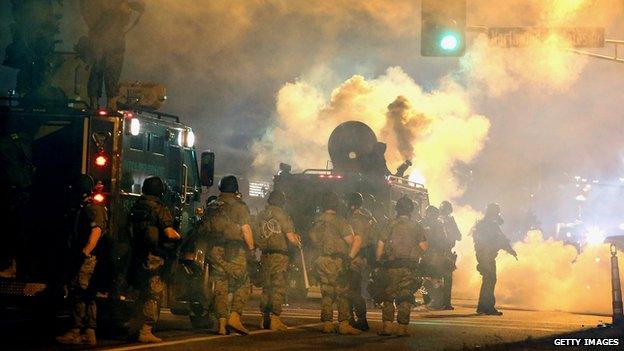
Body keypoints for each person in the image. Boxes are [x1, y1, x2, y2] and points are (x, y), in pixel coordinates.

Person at [56, 175, 107, 346]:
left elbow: (96, 232)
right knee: (82, 293)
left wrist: (84, 253)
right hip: (84, 257)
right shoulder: (84, 207)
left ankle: (80, 331)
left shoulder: (91, 208)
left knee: (81, 293)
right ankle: (85, 332)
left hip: (87, 259)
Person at [129, 176, 181, 343]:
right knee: (154, 293)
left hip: (137, 254)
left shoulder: (136, 205)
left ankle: (134, 327)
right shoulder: (160, 208)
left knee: (140, 292)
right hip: (154, 256)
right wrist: (179, 237)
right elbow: (168, 232)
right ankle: (146, 330)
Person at [201, 175, 254, 335]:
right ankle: (235, 316)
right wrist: (251, 248)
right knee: (243, 282)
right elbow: (245, 229)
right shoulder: (240, 206)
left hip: (215, 251)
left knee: (220, 286)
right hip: (234, 251)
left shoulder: (212, 205)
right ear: (235, 188)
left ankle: (221, 324)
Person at [309, 192, 362, 335]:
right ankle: (343, 324)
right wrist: (350, 256)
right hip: (337, 261)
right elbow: (351, 241)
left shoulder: (317, 221)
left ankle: (327, 323)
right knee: (342, 292)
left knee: (326, 293)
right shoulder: (340, 221)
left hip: (321, 260)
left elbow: (313, 240)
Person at [376, 196, 428, 336]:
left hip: (390, 266)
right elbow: (423, 247)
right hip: (408, 266)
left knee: (388, 295)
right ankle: (402, 328)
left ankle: (387, 327)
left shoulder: (390, 224)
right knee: (405, 296)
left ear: (397, 209)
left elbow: (380, 243)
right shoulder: (416, 226)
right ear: (411, 210)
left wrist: (378, 261)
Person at [255, 190, 301, 331]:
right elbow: (290, 237)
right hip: (279, 256)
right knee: (278, 287)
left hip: (265, 255)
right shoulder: (282, 214)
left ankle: (265, 318)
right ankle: (275, 319)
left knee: (266, 288)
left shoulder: (261, 215)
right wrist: (298, 242)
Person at [472, 203, 517, 316]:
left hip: (484, 255)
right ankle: (488, 307)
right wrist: (509, 249)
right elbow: (500, 239)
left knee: (488, 280)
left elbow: (498, 238)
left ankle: (482, 307)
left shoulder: (484, 224)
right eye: (496, 212)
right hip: (486, 256)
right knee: (490, 280)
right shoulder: (489, 225)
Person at [345, 192, 376, 331]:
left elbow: (357, 240)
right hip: (363, 257)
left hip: (355, 257)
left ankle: (357, 319)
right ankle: (356, 318)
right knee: (355, 288)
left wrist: (349, 257)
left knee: (352, 289)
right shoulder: (368, 217)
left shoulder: (355, 219)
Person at [420, 206, 448, 310]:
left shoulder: (437, 225)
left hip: (432, 257)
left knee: (432, 281)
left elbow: (444, 240)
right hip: (428, 257)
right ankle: (431, 301)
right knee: (425, 281)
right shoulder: (426, 224)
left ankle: (435, 301)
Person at [439, 201, 461, 310]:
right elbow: (458, 236)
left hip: (433, 254)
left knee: (431, 278)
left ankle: (433, 301)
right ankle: (446, 303)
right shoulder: (450, 221)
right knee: (447, 278)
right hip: (446, 253)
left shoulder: (435, 220)